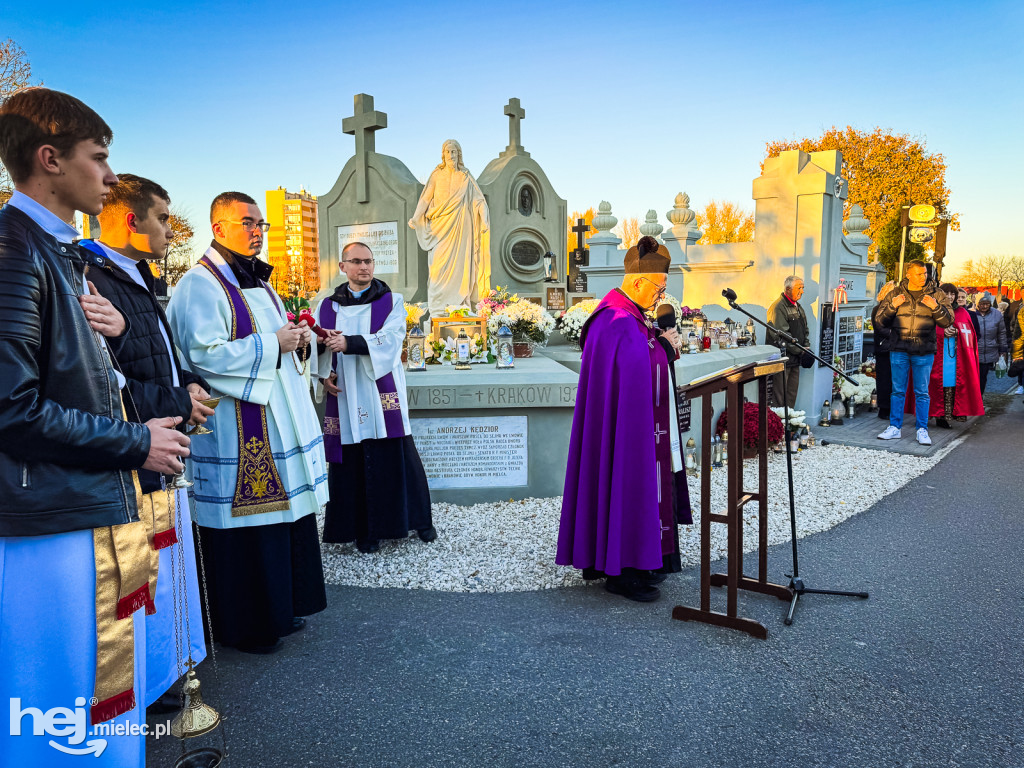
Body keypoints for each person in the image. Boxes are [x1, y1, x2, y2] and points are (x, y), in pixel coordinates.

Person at [0, 87, 190, 765]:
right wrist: (138, 441)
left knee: (96, 697)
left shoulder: (57, 251)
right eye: (99, 157)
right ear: (49, 159)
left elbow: (82, 382)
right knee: (58, 705)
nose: (111, 178)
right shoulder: (13, 249)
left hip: (78, 501)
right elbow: (10, 410)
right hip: (45, 520)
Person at [166, 192, 328, 654]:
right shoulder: (201, 283)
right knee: (247, 528)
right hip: (238, 429)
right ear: (218, 228)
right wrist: (274, 343)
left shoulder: (258, 282)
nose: (257, 231)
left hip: (276, 418)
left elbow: (274, 340)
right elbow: (203, 354)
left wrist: (297, 340)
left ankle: (280, 608)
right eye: (246, 222)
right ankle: (246, 626)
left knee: (281, 518)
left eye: (262, 224)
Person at [86, 174, 209, 711]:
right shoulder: (91, 276)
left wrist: (188, 384)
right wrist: (177, 404)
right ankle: (143, 684)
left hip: (158, 441)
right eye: (161, 217)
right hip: (131, 452)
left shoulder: (133, 274)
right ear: (132, 221)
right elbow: (98, 380)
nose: (168, 228)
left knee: (163, 568)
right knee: (132, 573)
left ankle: (164, 671)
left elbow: (155, 350)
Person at [557, 236, 692, 602]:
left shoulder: (632, 314)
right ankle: (621, 571)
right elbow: (634, 365)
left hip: (639, 425)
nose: (661, 295)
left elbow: (642, 360)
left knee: (636, 485)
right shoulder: (613, 318)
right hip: (625, 430)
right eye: (659, 288)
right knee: (624, 481)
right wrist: (663, 346)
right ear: (636, 282)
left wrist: (663, 347)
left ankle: (639, 561)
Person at [314, 241, 434, 553]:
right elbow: (314, 346)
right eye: (356, 261)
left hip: (380, 389)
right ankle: (363, 530)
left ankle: (419, 520)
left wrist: (351, 342)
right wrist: (323, 373)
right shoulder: (327, 306)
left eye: (368, 261)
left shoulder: (391, 301)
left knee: (398, 453)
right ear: (343, 267)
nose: (363, 267)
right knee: (351, 460)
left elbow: (393, 339)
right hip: (345, 391)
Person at [875, 259, 954, 446]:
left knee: (922, 392)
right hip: (899, 349)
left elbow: (948, 321)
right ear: (908, 274)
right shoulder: (895, 293)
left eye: (925, 273)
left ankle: (922, 429)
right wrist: (893, 307)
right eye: (919, 274)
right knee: (897, 391)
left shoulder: (937, 294)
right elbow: (879, 321)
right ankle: (895, 428)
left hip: (924, 350)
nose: (923, 277)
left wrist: (936, 308)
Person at [408, 139, 490, 316]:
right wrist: (416, 217)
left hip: (461, 229)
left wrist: (483, 218)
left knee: (461, 268)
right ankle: (438, 310)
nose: (451, 155)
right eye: (448, 152)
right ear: (443, 155)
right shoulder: (437, 175)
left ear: (459, 154)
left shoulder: (465, 176)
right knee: (437, 267)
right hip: (439, 229)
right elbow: (425, 198)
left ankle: (460, 307)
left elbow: (478, 200)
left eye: (454, 152)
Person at [926, 283, 984, 428]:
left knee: (951, 385)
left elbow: (970, 334)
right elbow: (924, 330)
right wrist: (941, 332)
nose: (950, 297)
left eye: (953, 294)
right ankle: (934, 415)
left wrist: (958, 333)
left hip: (955, 357)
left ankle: (947, 415)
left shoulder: (963, 313)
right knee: (934, 384)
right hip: (937, 355)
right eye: (947, 294)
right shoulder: (932, 310)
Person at [766, 275, 813, 408]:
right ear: (788, 289)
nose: (802, 291)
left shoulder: (798, 306)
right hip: (782, 359)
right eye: (799, 288)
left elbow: (805, 329)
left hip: (795, 359)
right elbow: (781, 335)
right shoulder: (778, 307)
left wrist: (806, 346)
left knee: (791, 394)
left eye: (803, 288)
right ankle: (779, 425)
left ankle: (790, 424)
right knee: (780, 397)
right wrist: (801, 351)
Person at [973, 293, 1007, 395]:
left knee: (983, 377)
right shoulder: (971, 314)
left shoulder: (997, 314)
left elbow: (1001, 333)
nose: (984, 306)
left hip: (989, 351)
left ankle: (979, 399)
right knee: (973, 378)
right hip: (974, 351)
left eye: (987, 304)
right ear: (977, 303)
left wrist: (1003, 349)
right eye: (982, 304)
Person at [872, 281, 896, 421]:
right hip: (884, 348)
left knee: (890, 380)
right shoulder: (880, 308)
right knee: (885, 380)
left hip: (888, 347)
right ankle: (884, 408)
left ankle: (888, 407)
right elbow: (880, 327)